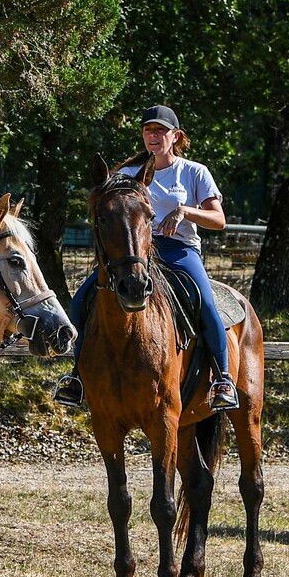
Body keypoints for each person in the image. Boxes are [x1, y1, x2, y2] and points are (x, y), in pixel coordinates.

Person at [53, 104, 238, 411]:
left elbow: (219, 220)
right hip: (135, 252)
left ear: (175, 136)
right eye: (148, 130)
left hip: (179, 250)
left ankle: (222, 379)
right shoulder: (126, 175)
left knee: (205, 302)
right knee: (82, 298)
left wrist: (184, 211)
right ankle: (77, 377)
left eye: (160, 131)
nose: (153, 136)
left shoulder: (194, 172)